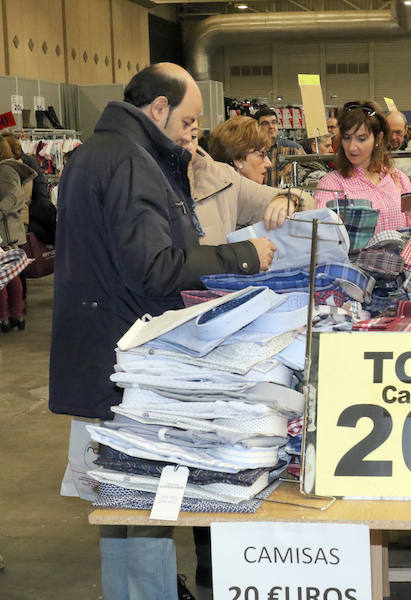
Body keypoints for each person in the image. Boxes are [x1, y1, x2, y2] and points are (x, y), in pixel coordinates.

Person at [48, 63, 277, 600]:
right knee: (149, 494)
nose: (192, 136)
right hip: (131, 357)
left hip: (101, 346)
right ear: (158, 109)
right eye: (189, 122)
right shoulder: (132, 163)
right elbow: (153, 267)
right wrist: (240, 256)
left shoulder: (92, 155)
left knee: (120, 492)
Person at [184, 123, 313, 246]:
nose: (269, 163)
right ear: (238, 159)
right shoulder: (229, 187)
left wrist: (288, 199)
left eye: (194, 137)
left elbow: (304, 200)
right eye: (261, 155)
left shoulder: (235, 189)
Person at [314, 101, 411, 232]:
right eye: (347, 138)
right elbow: (321, 234)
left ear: (378, 139)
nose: (352, 147)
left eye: (361, 139)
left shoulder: (399, 180)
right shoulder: (331, 185)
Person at [0, 136, 36, 333]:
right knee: (11, 277)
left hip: (5, 233)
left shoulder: (4, 170)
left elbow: (13, 197)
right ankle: (15, 316)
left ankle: (5, 317)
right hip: (10, 230)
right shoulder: (9, 169)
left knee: (4, 278)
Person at [253, 107, 304, 186]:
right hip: (259, 196)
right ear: (256, 126)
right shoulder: (252, 151)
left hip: (286, 196)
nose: (271, 126)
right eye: (265, 123)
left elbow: (309, 173)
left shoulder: (293, 149)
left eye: (274, 122)